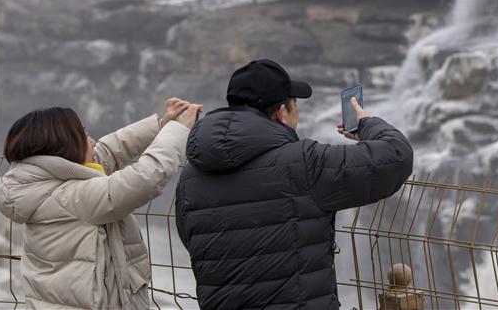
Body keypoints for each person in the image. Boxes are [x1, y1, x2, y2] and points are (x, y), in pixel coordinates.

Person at [175, 59, 414, 310]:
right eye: (295, 105)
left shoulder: (190, 177)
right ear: (282, 112)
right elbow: (396, 157)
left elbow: (193, 240)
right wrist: (367, 125)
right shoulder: (304, 164)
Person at [0, 98, 201, 309]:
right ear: (64, 147)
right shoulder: (70, 197)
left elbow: (106, 152)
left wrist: (159, 126)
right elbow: (143, 180)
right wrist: (177, 131)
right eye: (83, 134)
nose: (92, 141)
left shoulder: (40, 185)